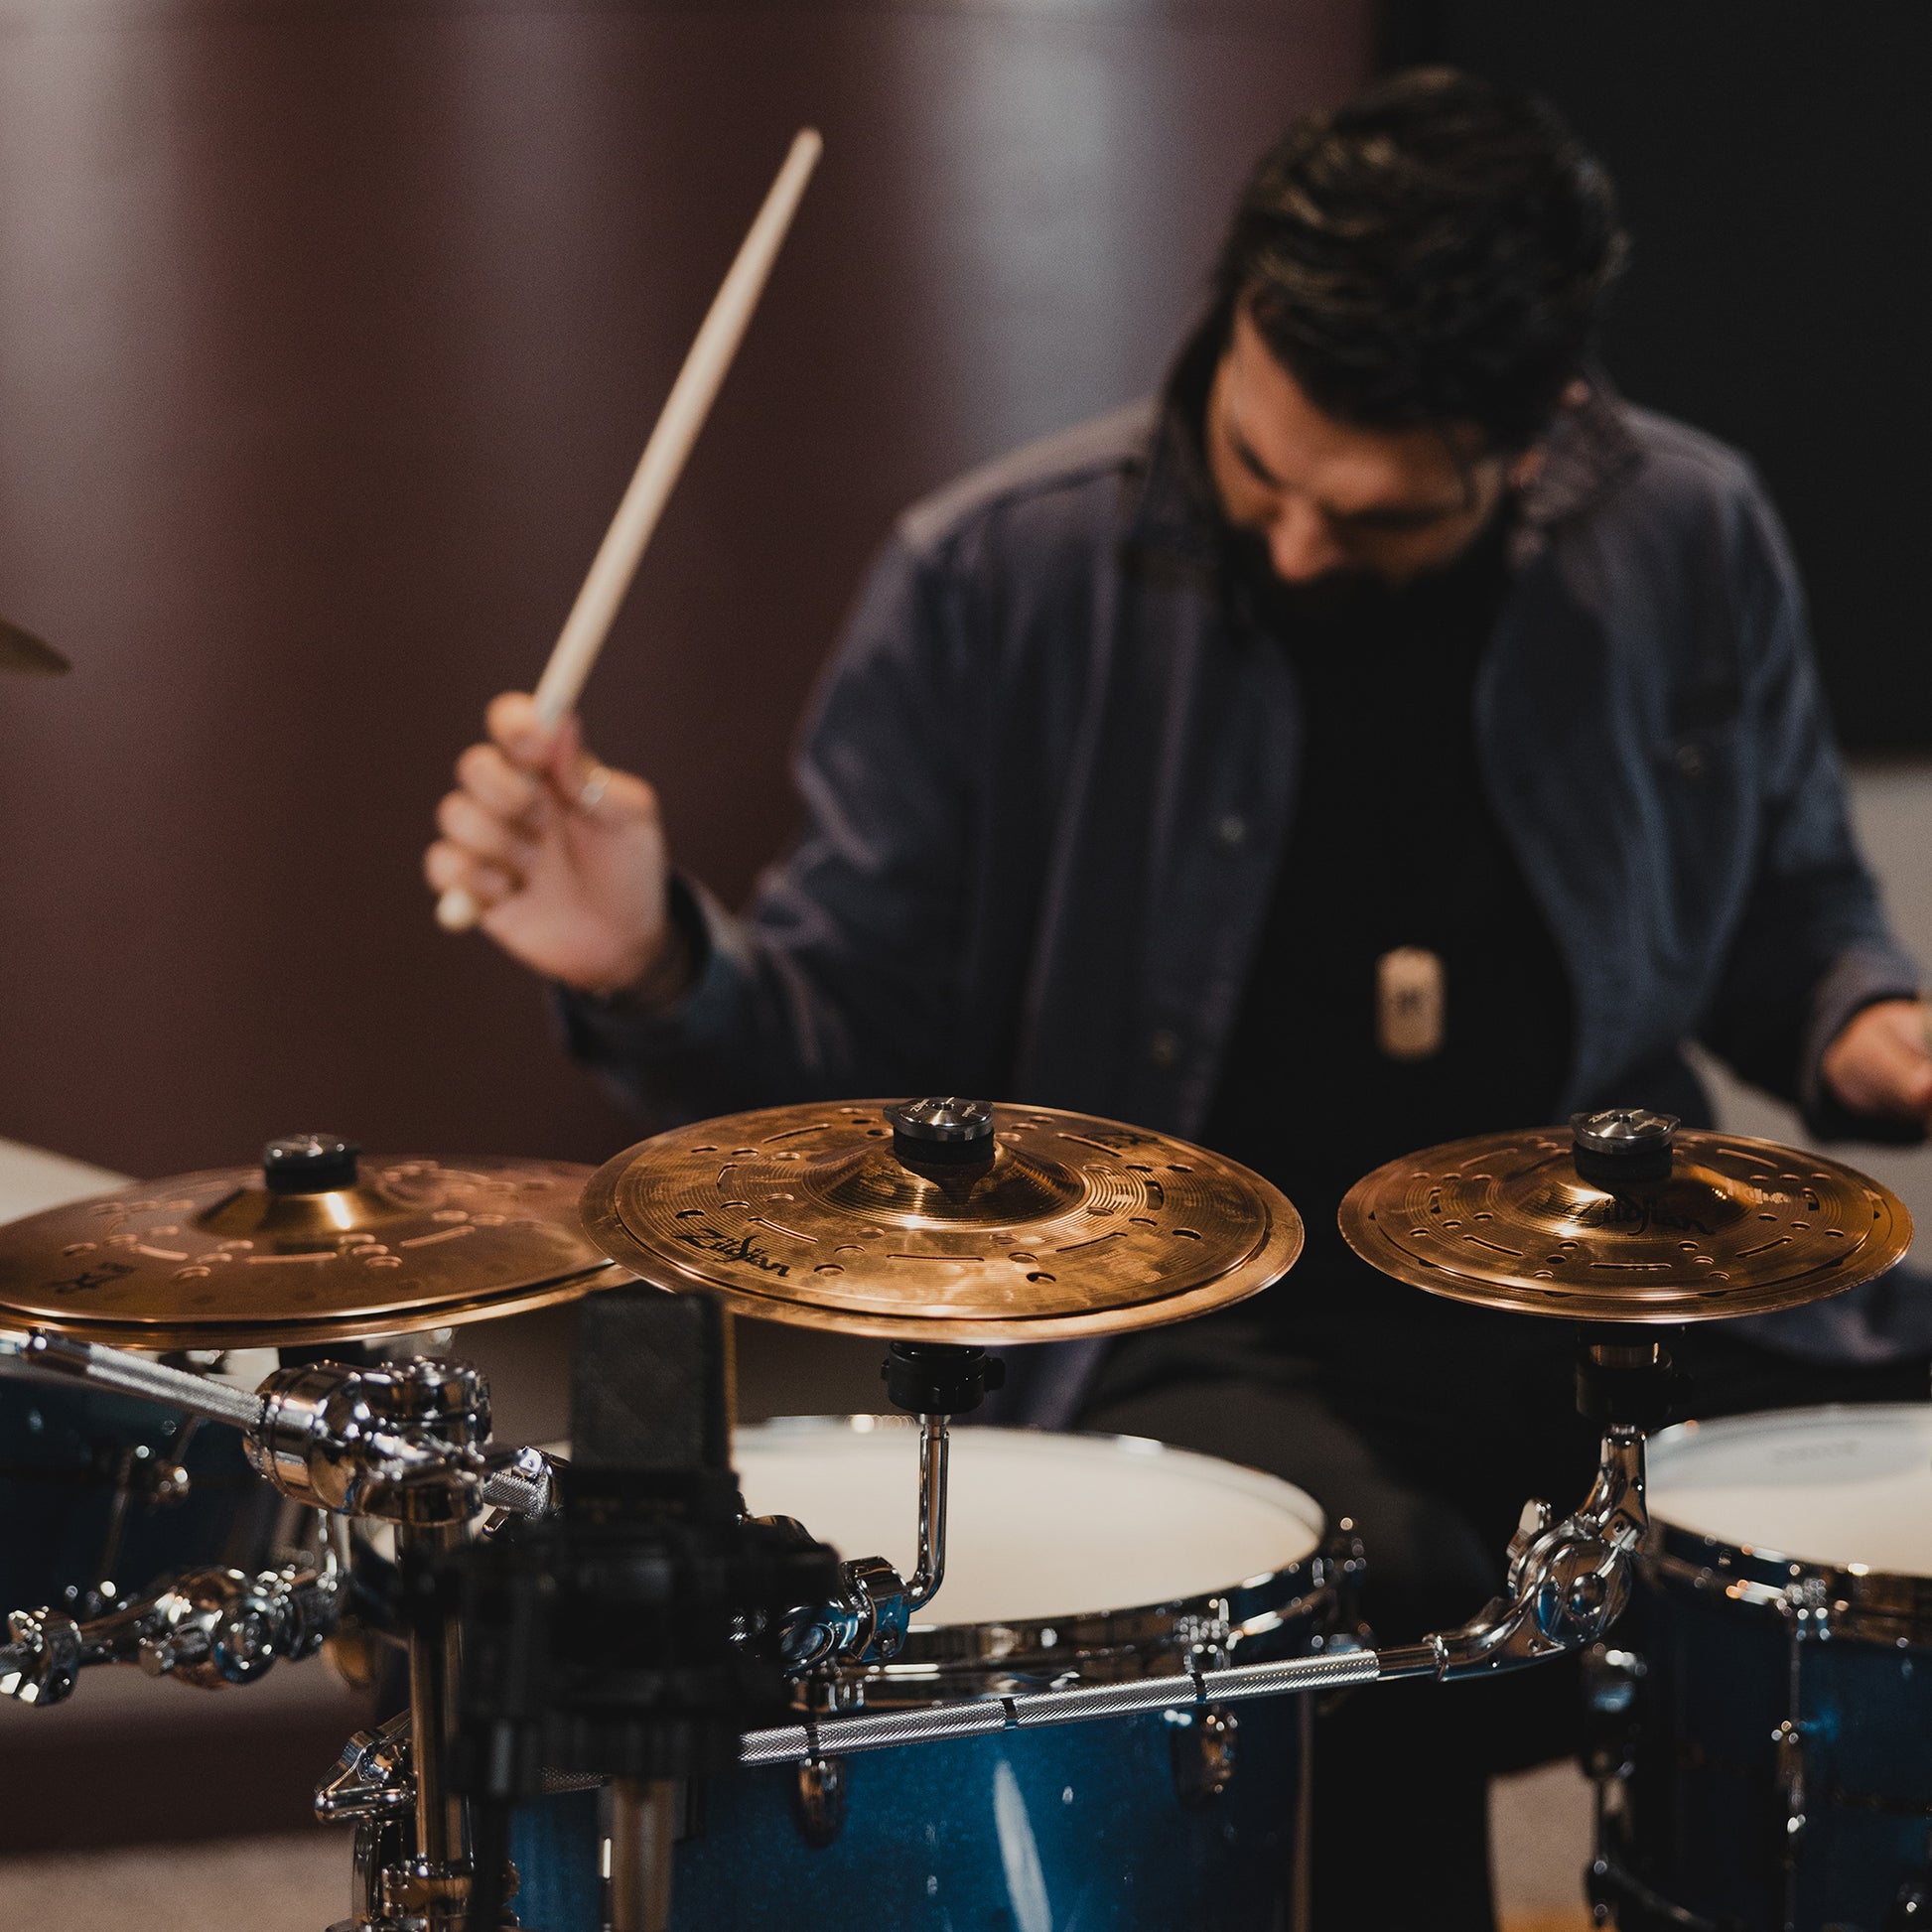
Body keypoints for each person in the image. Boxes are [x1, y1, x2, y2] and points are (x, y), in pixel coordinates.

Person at [424, 70, 1931, 1927]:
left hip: (1592, 1278)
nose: (1292, 544)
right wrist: (647, 953)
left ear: (1541, 427)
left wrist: (1876, 1032)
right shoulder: (994, 575)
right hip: (1214, 1318)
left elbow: (1793, 911)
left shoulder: (1689, 533)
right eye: (1257, 471)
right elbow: (833, 1043)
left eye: (1369, 516)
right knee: (1352, 1587)